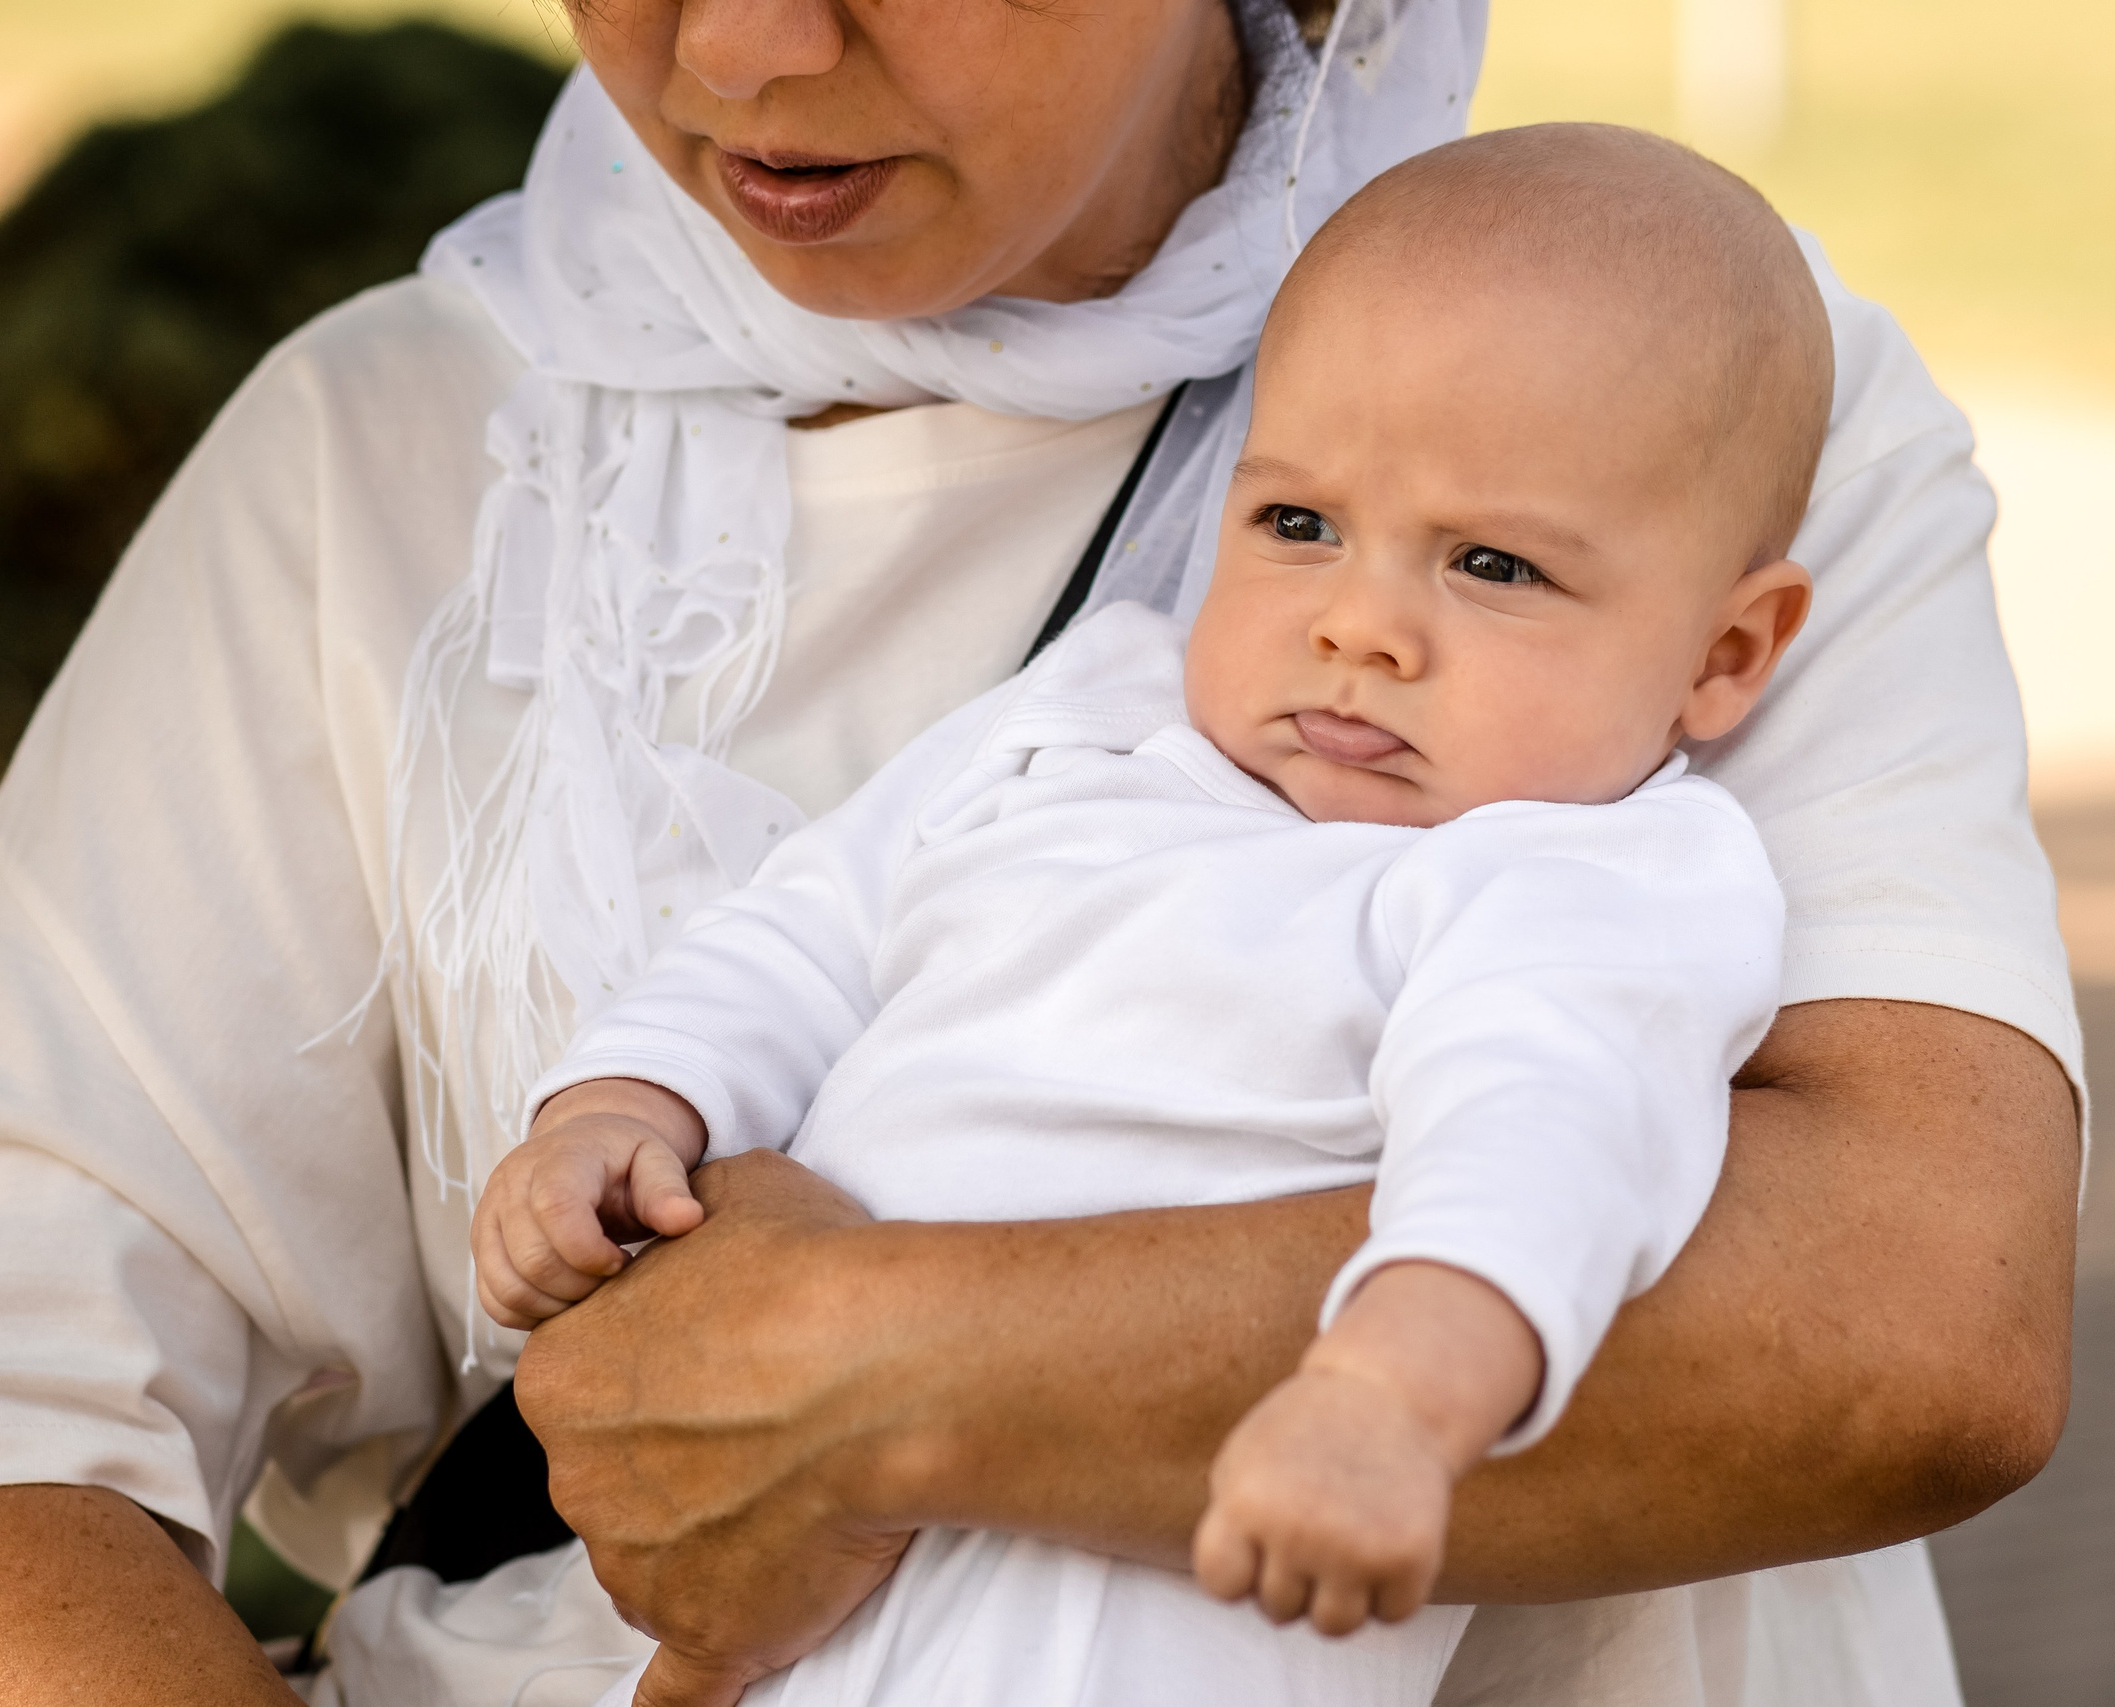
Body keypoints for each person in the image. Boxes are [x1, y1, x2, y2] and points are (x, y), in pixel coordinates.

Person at [0, 1, 2082, 1704]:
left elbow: (1917, 1322)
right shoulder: (381, 456)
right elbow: (30, 1434)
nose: (738, 48)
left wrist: (874, 1371)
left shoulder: (1675, 392)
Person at [476, 124, 1825, 1707]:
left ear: (1728, 654)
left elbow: (1549, 1143)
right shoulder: (1090, 719)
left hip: (1134, 1621)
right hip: (773, 1609)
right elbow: (807, 932)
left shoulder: (1575, 879)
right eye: (1298, 524)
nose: (1360, 627)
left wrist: (1393, 1400)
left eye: (1493, 563)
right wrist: (624, 1102)